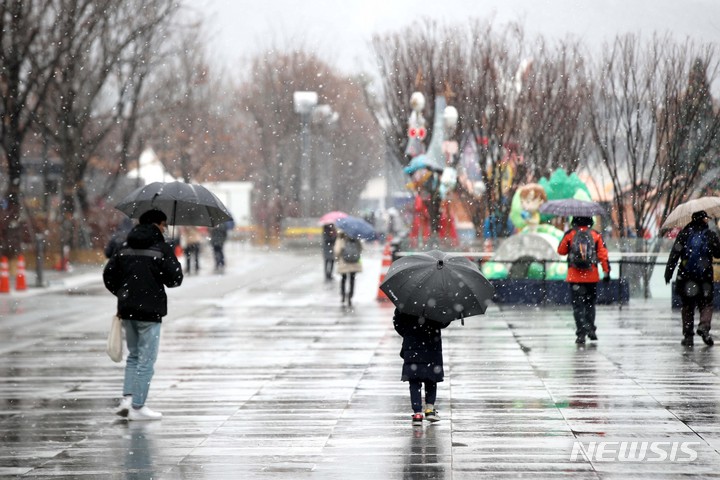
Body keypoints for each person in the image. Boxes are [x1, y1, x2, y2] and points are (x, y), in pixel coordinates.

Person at [103, 209, 183, 421]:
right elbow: (175, 279)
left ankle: (128, 400)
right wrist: (169, 257)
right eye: (164, 225)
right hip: (150, 312)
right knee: (147, 359)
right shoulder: (161, 248)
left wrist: (123, 293)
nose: (165, 228)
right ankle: (138, 407)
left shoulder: (124, 246)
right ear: (158, 225)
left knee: (134, 356)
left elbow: (108, 275)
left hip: (127, 309)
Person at [665, 210, 720, 347]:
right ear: (703, 220)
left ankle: (688, 336)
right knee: (706, 304)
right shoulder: (710, 235)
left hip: (686, 276)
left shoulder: (684, 234)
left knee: (688, 306)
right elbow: (718, 254)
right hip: (705, 276)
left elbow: (675, 254)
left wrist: (669, 272)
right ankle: (704, 327)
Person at [557, 216, 611, 345]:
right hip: (591, 276)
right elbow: (603, 255)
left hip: (574, 277)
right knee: (590, 304)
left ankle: (581, 333)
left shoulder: (570, 234)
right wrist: (606, 272)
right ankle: (591, 329)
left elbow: (561, 251)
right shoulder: (595, 235)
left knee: (577, 306)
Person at [393, 308, 448, 426]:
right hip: (431, 344)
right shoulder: (437, 302)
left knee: (414, 380)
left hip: (412, 345)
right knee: (431, 377)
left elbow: (397, 322)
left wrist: (408, 332)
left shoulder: (406, 302)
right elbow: (443, 322)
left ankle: (417, 413)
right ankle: (429, 408)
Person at [333, 229, 362, 307]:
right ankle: (350, 296)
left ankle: (343, 295)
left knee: (343, 279)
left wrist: (337, 258)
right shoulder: (356, 236)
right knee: (352, 279)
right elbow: (360, 248)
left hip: (344, 262)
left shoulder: (341, 237)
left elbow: (337, 250)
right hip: (354, 262)